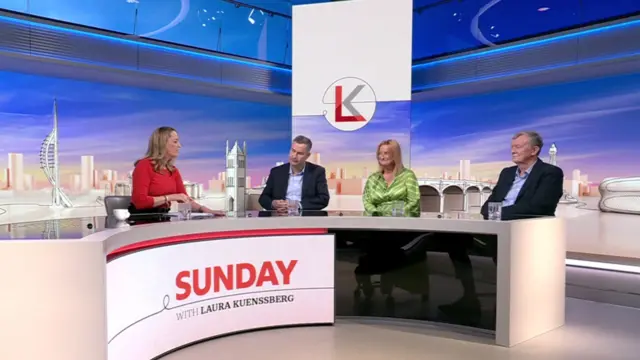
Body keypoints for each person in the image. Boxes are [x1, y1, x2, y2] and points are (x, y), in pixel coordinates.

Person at [436, 131, 564, 319]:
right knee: (452, 238)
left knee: (500, 249)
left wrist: (498, 215)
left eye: (518, 147)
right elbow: (488, 205)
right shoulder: (507, 173)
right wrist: (494, 214)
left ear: (534, 150)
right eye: (512, 147)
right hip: (497, 230)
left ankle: (511, 308)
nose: (513, 151)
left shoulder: (550, 173)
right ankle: (469, 298)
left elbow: (539, 207)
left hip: (526, 233)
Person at [130, 126, 223, 215]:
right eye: (175, 142)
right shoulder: (144, 165)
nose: (179, 145)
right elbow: (139, 201)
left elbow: (185, 199)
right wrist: (171, 197)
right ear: (162, 144)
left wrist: (204, 209)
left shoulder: (173, 171)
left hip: (162, 219)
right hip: (143, 221)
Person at [258, 135, 330, 214]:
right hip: (280, 218)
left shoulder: (317, 172)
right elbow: (263, 198)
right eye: (293, 151)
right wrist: (273, 204)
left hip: (306, 218)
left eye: (300, 153)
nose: (294, 156)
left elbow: (323, 199)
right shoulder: (276, 172)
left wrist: (298, 205)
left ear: (307, 155)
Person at [363, 139, 420, 217]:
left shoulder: (408, 176)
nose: (381, 157)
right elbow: (367, 202)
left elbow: (414, 202)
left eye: (386, 153)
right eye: (379, 154)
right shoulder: (373, 179)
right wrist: (377, 215)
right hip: (377, 223)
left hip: (401, 222)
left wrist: (394, 215)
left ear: (395, 155)